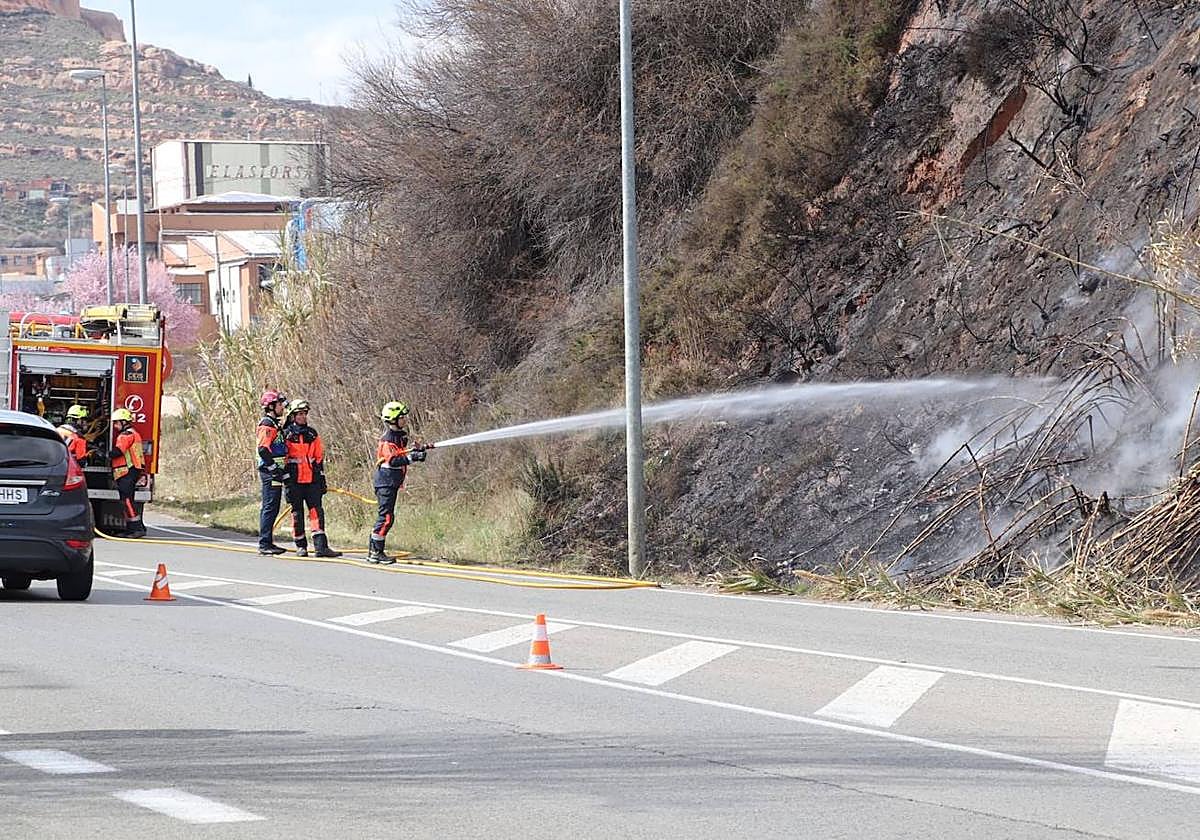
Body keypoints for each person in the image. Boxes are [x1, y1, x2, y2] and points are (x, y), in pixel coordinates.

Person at [368, 401, 427, 565]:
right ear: (393, 420)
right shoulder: (388, 440)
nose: (405, 420)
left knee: (386, 516)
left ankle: (373, 551)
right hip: (385, 482)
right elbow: (393, 460)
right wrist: (412, 457)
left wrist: (417, 451)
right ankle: (376, 553)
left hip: (391, 482)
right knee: (386, 517)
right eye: (402, 417)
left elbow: (402, 453)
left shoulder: (400, 436)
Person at [282, 399, 341, 558]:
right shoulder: (286, 435)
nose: (303, 417)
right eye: (299, 414)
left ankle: (321, 547)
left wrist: (321, 479)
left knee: (316, 512)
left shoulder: (312, 434)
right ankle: (301, 546)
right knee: (297, 514)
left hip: (312, 480)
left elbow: (318, 458)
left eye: (304, 414)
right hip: (294, 481)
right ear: (293, 416)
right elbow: (283, 459)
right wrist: (287, 480)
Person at [255, 389, 289, 556]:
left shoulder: (275, 423)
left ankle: (267, 541)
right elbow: (263, 449)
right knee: (270, 506)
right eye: (279, 404)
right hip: (270, 473)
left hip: (276, 472)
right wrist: (273, 468)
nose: (282, 407)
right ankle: (264, 543)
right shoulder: (267, 425)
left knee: (273, 506)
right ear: (271, 406)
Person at [109, 407, 146, 537]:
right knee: (128, 499)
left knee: (127, 500)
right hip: (133, 470)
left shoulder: (125, 436)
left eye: (116, 422)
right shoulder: (134, 434)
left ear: (124, 422)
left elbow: (118, 452)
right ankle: (135, 527)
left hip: (127, 472)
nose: (114, 425)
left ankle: (135, 529)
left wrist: (102, 454)